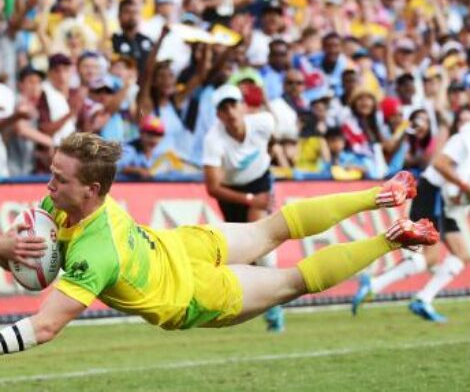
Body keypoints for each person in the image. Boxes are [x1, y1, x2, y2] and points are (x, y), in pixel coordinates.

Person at [0, 131, 437, 355]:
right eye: (53, 172)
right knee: (271, 229)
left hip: (194, 294)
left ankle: (391, 238)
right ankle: (381, 194)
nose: (49, 182)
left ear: (92, 189)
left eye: (60, 176)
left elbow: (45, 327)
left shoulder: (97, 254)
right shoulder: (62, 203)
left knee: (293, 280)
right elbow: (29, 255)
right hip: (182, 245)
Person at [352, 98, 470, 322]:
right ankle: (377, 284)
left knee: (462, 255)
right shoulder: (467, 137)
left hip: (445, 200)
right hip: (434, 193)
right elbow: (440, 164)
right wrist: (468, 188)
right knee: (431, 257)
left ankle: (421, 298)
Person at [202, 84, 285, 332]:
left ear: (243, 106)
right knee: (246, 254)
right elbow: (213, 187)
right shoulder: (213, 140)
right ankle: (260, 301)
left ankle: (275, 306)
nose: (230, 111)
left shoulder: (263, 122)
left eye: (233, 104)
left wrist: (266, 165)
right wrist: (250, 199)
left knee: (263, 243)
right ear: (218, 115)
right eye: (223, 108)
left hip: (259, 181)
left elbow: (273, 140)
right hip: (231, 193)